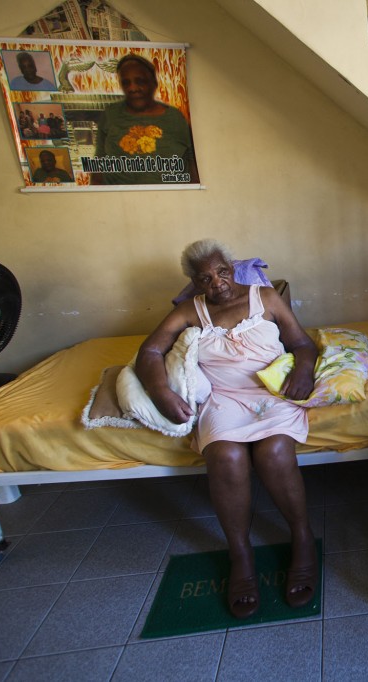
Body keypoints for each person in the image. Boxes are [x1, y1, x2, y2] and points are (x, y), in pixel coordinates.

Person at [135, 239, 318, 619]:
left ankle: (301, 538)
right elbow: (150, 352)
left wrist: (302, 370)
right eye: (205, 278)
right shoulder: (190, 310)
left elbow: (302, 343)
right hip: (224, 399)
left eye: (221, 271)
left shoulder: (265, 297)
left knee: (273, 451)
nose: (217, 283)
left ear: (232, 267)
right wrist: (160, 391)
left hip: (270, 391)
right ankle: (241, 555)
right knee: (226, 455)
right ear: (195, 282)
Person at [91, 53, 200, 185]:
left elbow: (191, 162)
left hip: (170, 200)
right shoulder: (110, 115)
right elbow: (99, 163)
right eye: (126, 83)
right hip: (120, 201)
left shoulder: (175, 117)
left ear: (153, 83)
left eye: (140, 81)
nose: (133, 88)